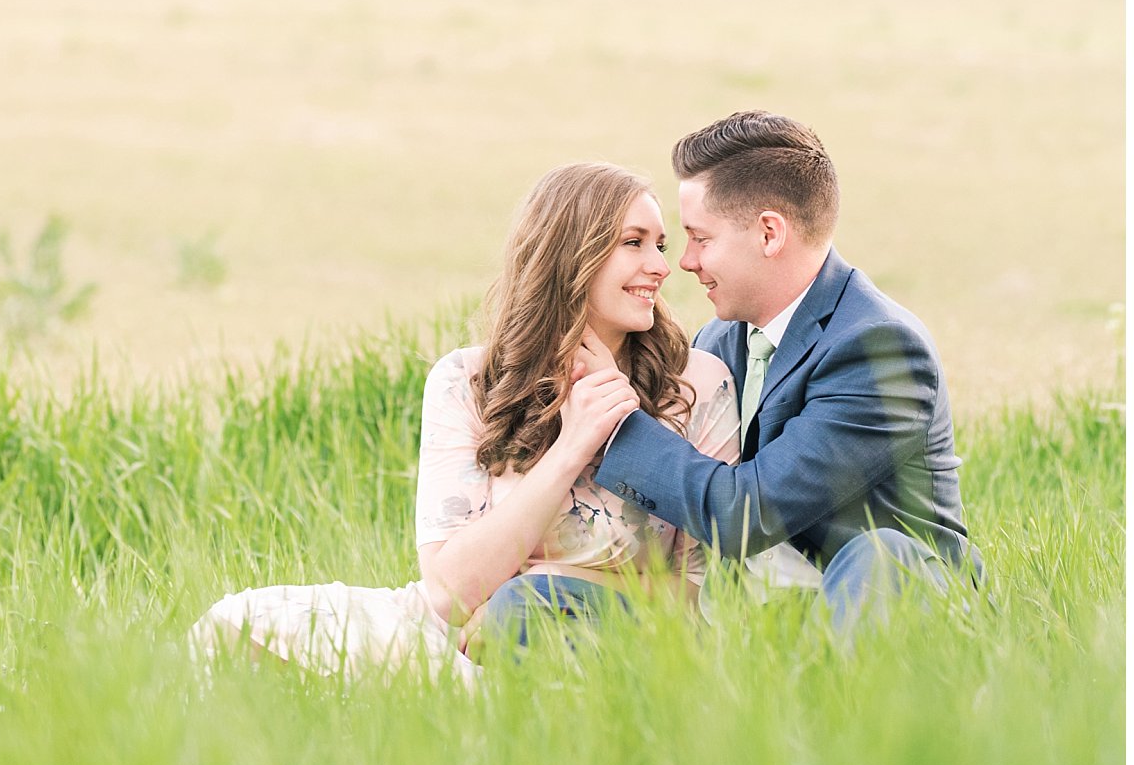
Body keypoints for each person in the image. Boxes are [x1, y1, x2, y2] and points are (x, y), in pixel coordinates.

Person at [188, 162, 739, 675]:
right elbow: (448, 594)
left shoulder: (695, 384)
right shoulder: (466, 381)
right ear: (571, 255)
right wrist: (573, 445)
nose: (663, 267)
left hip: (603, 639)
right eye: (634, 243)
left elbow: (696, 594)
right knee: (233, 628)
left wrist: (528, 592)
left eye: (661, 245)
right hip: (449, 635)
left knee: (523, 617)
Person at [593, 111, 978, 634]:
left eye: (700, 238)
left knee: (878, 556)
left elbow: (746, 514)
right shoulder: (718, 341)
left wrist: (611, 416)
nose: (684, 262)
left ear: (769, 233)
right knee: (539, 601)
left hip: (882, 617)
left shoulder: (879, 348)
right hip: (750, 627)